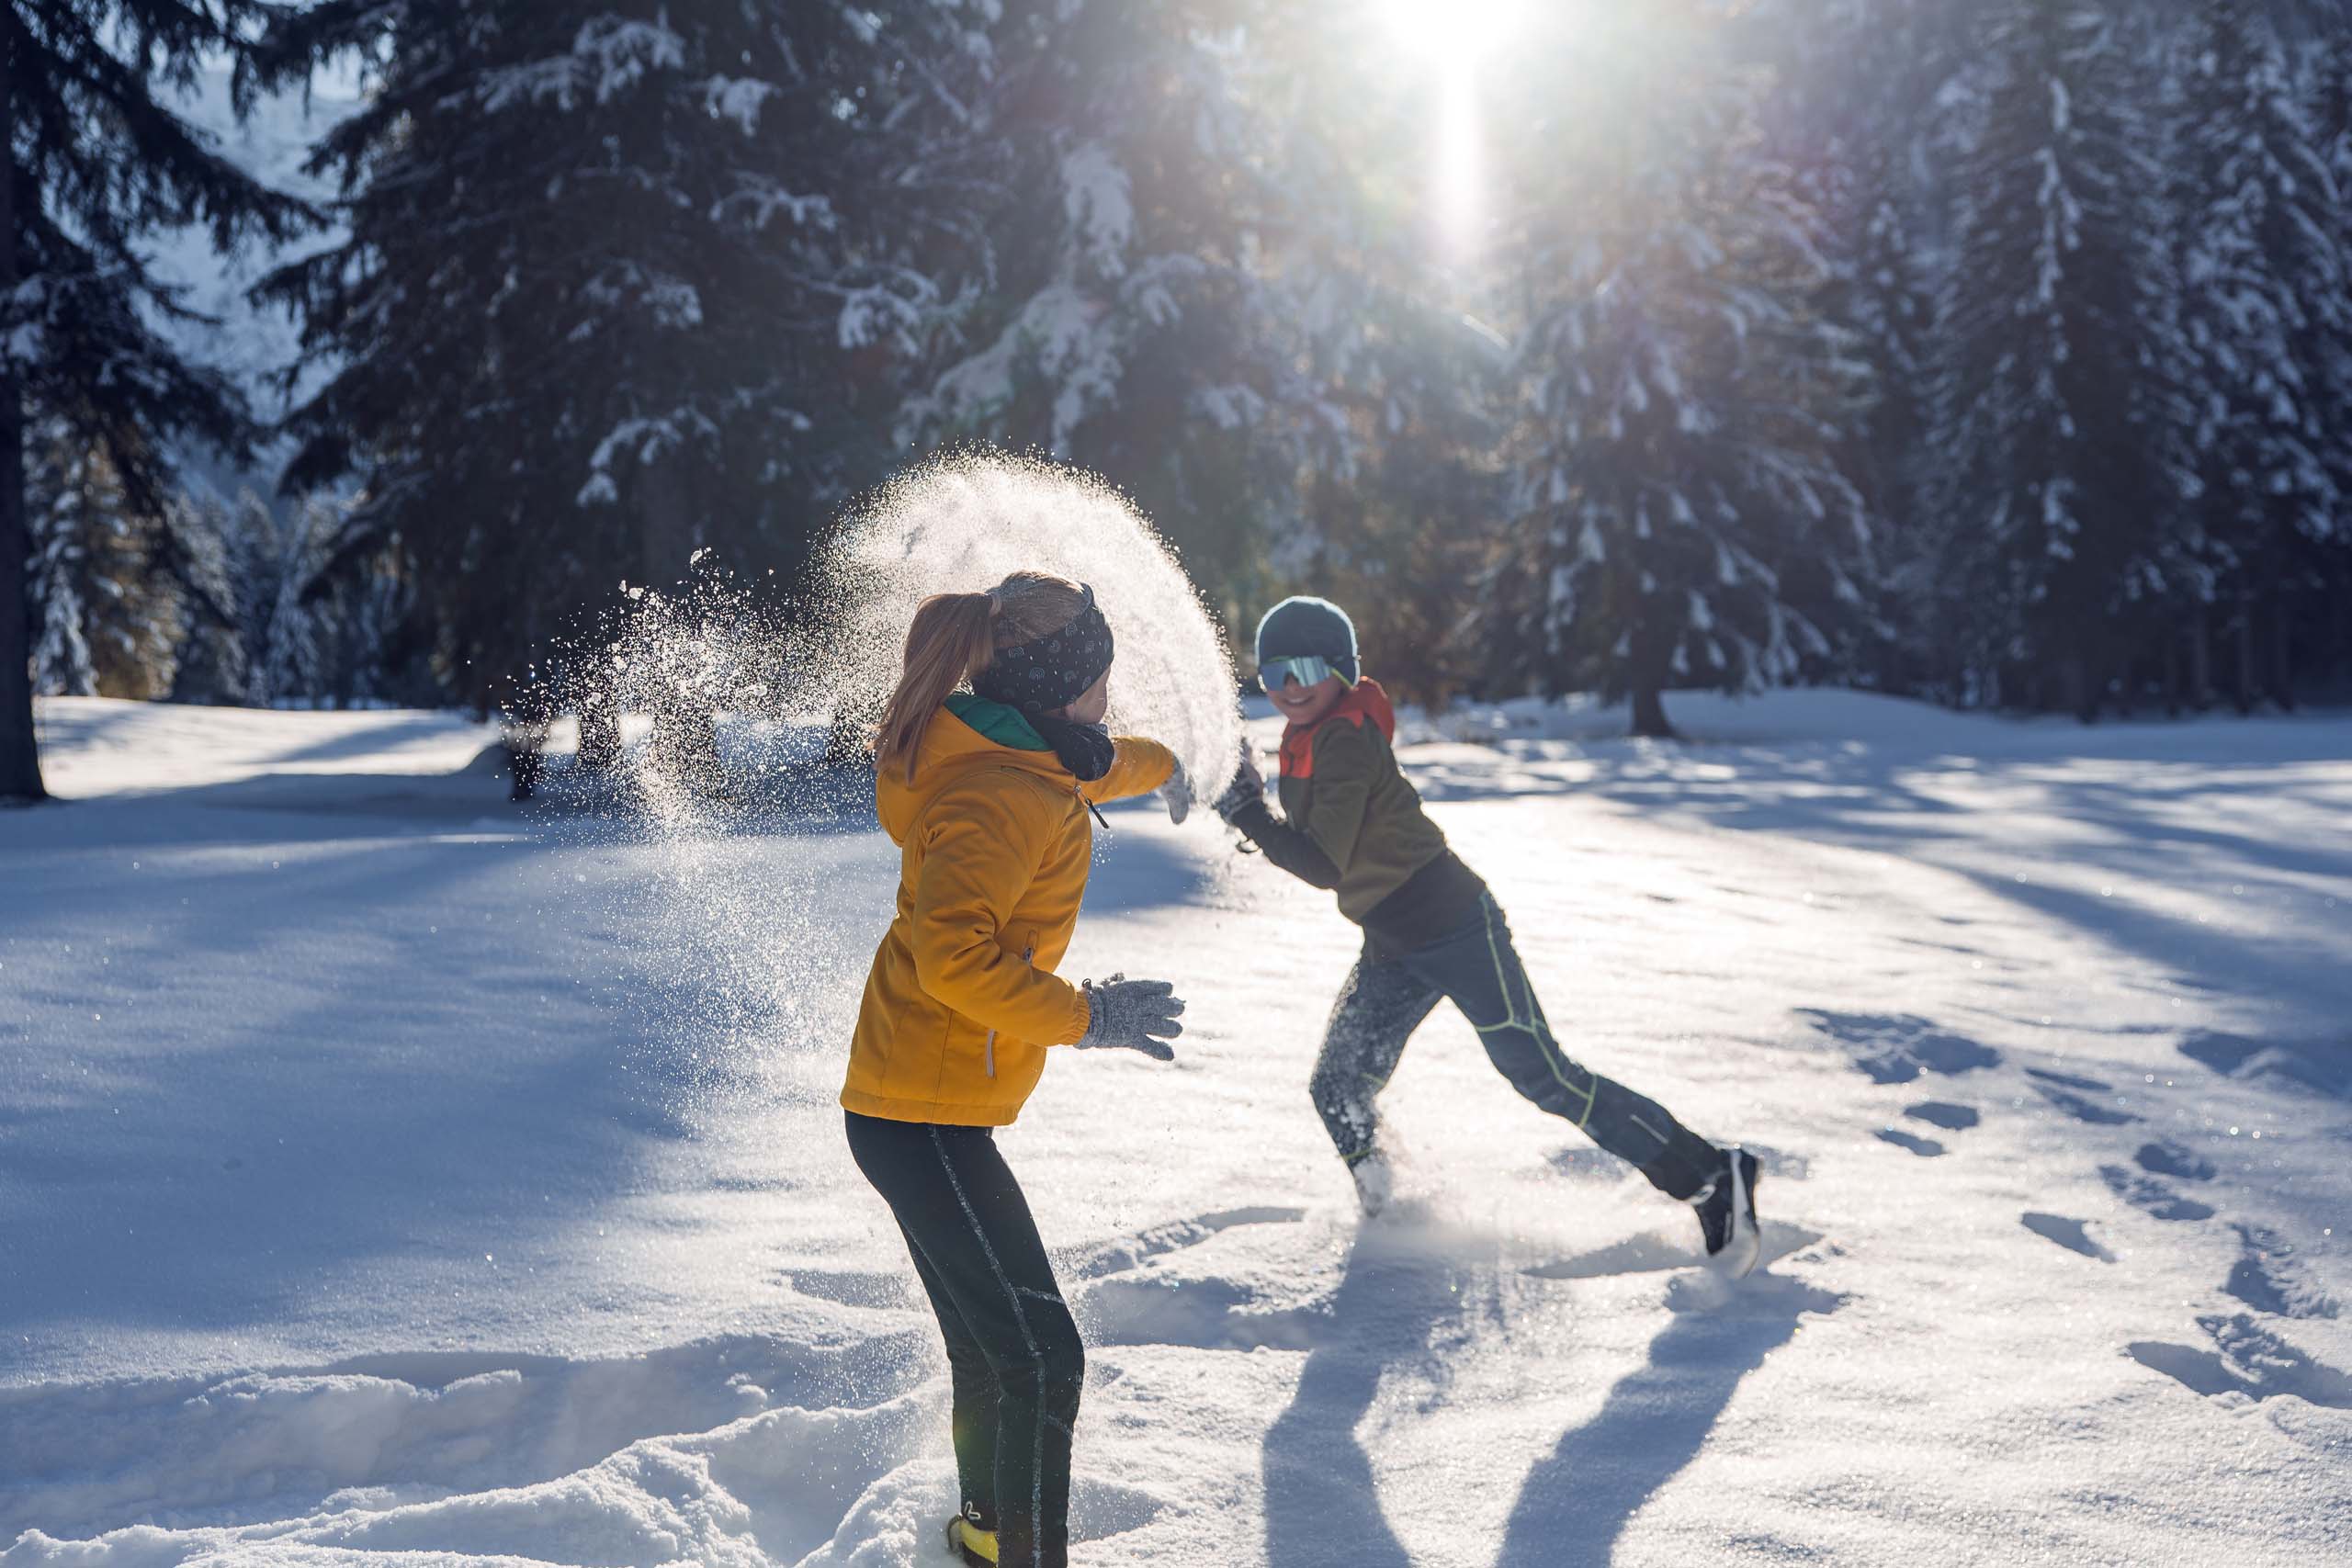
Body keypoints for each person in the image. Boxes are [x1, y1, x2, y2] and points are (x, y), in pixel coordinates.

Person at [1213, 595, 1762, 1276]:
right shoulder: (1309, 735)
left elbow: (1323, 863)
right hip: (1391, 940)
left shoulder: (1345, 738)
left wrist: (1248, 814)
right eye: (1273, 674)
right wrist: (1249, 800)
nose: (1288, 687)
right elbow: (1306, 835)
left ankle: (1713, 1173)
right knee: (1337, 1084)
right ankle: (1393, 1214)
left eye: (1303, 669)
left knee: (1545, 1075)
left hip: (1453, 925)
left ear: (1341, 672)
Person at [842, 570, 1190, 1568]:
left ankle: (991, 1538)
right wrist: (1087, 1017)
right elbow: (953, 961)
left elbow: (1101, 762)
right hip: (922, 1118)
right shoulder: (1000, 795)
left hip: (923, 1107)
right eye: (1100, 680)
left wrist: (1182, 764)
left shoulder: (1024, 751)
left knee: (997, 1352)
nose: (1108, 699)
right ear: (1057, 688)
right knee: (1043, 1359)